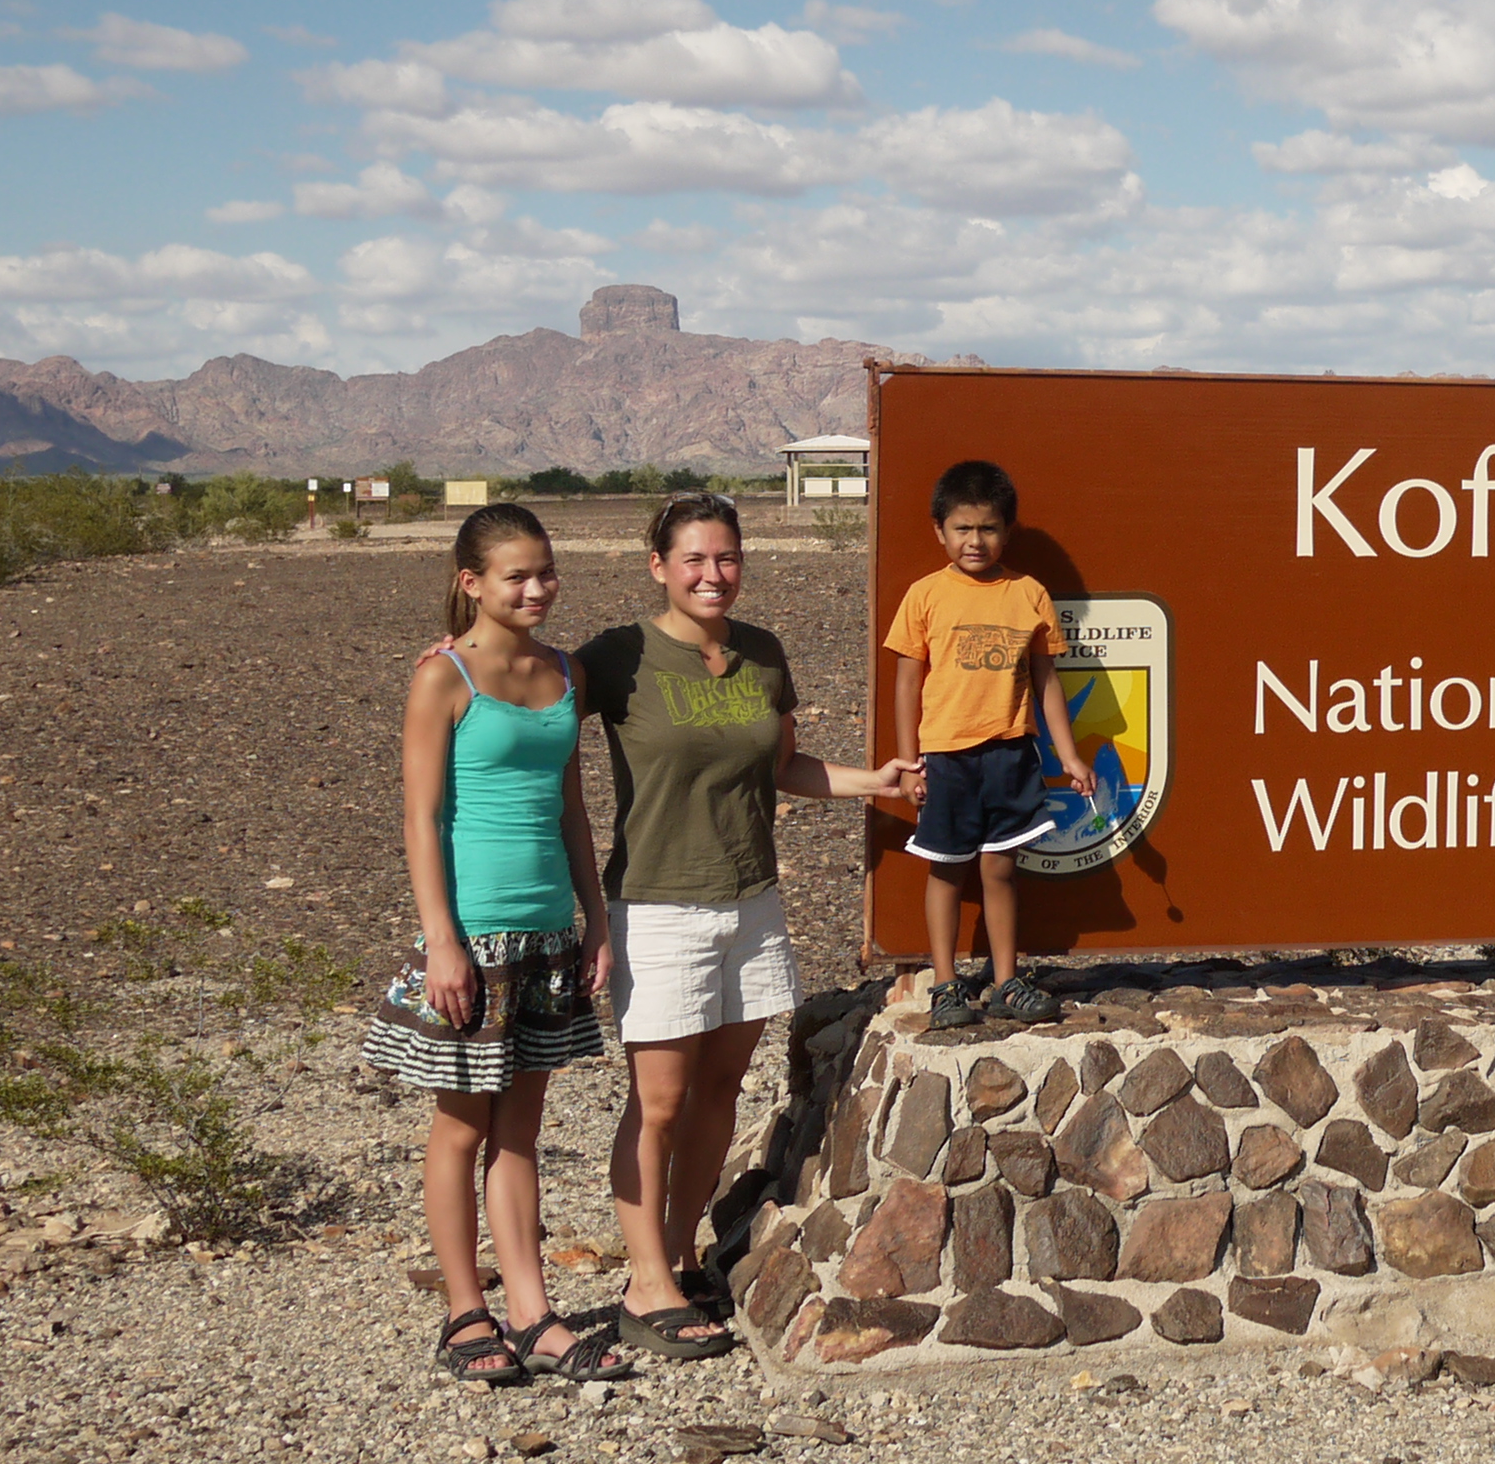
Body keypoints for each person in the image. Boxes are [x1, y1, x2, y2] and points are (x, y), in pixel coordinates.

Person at [574, 492, 918, 1364]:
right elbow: (530, 693)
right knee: (657, 1104)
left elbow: (784, 766)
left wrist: (873, 781)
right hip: (657, 904)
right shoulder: (621, 656)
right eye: (692, 559)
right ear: (658, 567)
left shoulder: (762, 655)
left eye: (725, 558)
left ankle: (680, 1253)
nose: (711, 574)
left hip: (752, 901)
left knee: (721, 1089)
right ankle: (644, 1284)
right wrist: (462, 661)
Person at [363, 502, 633, 1387]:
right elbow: (421, 814)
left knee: (522, 1128)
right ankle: (462, 1312)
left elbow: (572, 808)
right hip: (473, 934)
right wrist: (442, 941)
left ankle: (532, 1310)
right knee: (460, 1125)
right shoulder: (444, 677)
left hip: (549, 928)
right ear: (470, 582)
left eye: (546, 572)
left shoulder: (564, 673)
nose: (536, 588)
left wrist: (595, 918)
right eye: (516, 575)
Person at [883, 456, 1093, 1029]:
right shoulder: (925, 595)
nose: (975, 541)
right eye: (962, 528)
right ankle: (947, 985)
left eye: (988, 528)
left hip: (1011, 753)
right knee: (947, 869)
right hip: (947, 757)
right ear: (940, 531)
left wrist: (1069, 754)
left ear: (1008, 530)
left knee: (1001, 870)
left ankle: (1006, 981)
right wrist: (907, 763)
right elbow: (907, 679)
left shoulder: (1028, 594)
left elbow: (1048, 680)